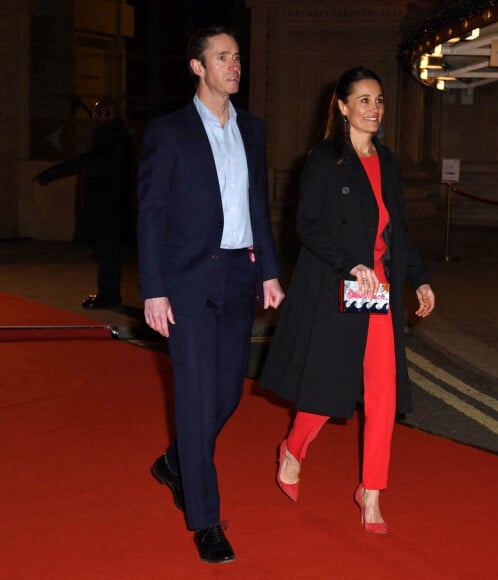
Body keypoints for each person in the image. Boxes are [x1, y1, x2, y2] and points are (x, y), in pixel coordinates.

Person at [260, 67, 435, 534]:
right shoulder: (324, 158)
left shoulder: (389, 162)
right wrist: (350, 264)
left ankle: (371, 493)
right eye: (363, 100)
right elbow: (307, 226)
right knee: (331, 380)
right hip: (342, 287)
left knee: (382, 391)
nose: (373, 109)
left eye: (378, 101)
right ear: (341, 106)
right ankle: (294, 448)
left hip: (379, 289)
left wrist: (418, 278)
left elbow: (398, 229)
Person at [137, 27, 284, 564]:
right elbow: (150, 215)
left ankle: (176, 461)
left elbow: (258, 208)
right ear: (198, 67)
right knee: (197, 400)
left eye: (237, 57)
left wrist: (268, 271)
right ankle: (205, 520)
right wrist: (153, 289)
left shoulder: (254, 130)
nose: (234, 65)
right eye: (223, 57)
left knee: (227, 395)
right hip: (186, 281)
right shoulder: (169, 132)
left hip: (239, 277)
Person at [35, 97, 133, 309]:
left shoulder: (114, 139)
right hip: (107, 207)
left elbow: (91, 161)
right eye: (99, 113)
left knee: (108, 255)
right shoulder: (110, 137)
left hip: (109, 209)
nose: (99, 118)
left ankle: (109, 297)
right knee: (105, 254)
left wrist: (54, 172)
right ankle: (108, 295)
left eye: (105, 114)